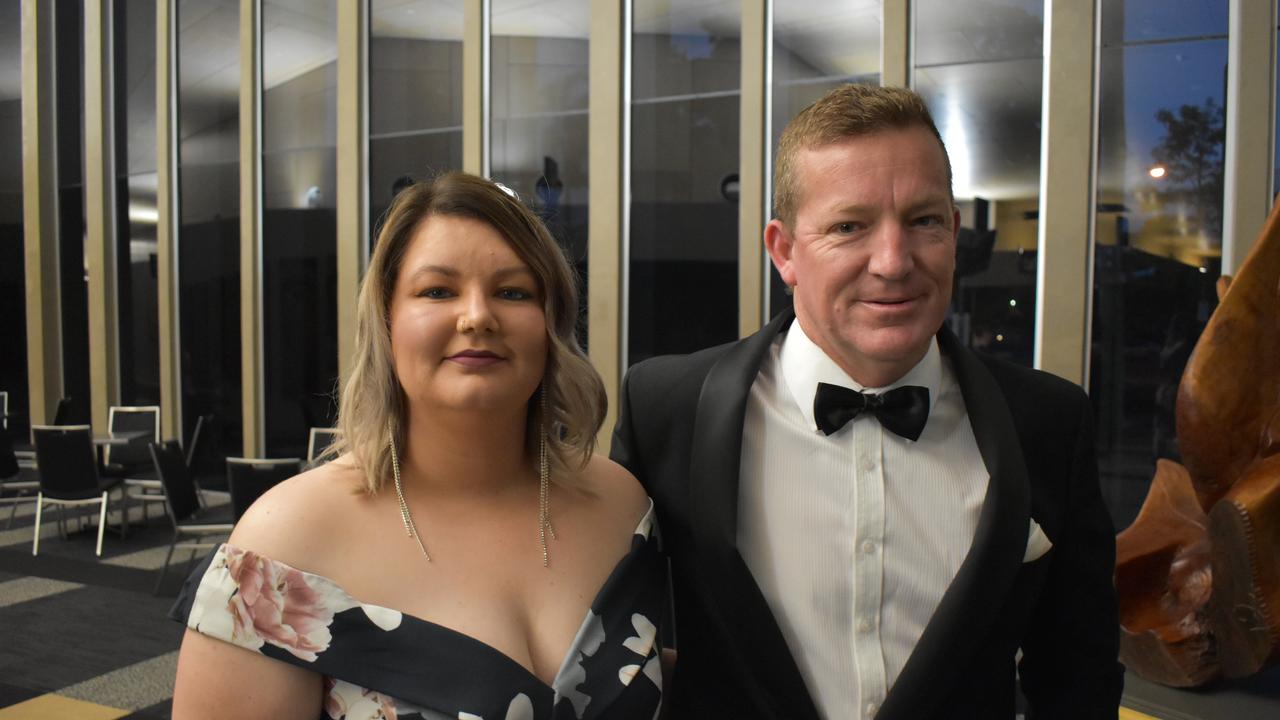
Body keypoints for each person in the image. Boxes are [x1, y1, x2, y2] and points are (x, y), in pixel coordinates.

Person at [610, 84, 1122, 719]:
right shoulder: (666, 410)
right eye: (849, 226)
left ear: (955, 233)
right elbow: (615, 653)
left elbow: (1078, 673)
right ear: (785, 251)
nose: (892, 261)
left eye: (924, 220)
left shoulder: (1049, 421)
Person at [171, 172, 664, 719]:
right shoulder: (286, 539)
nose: (477, 316)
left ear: (551, 322)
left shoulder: (622, 504)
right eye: (437, 291)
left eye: (512, 291)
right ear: (387, 320)